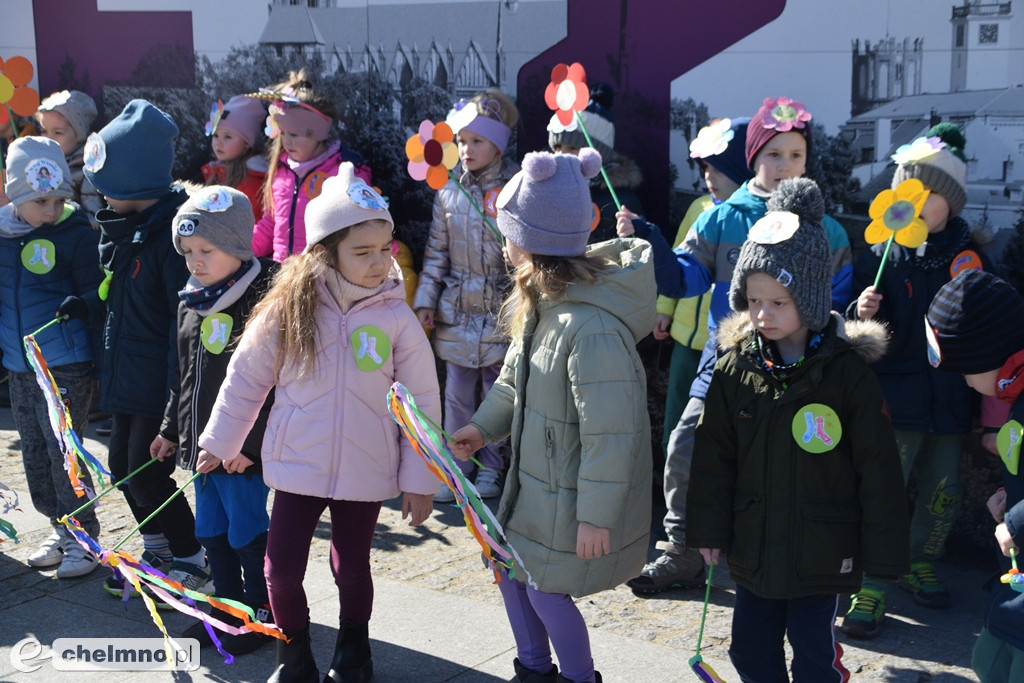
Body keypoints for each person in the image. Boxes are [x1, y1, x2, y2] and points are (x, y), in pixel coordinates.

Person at [195, 164, 440, 682]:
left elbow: (422, 403)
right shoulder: (288, 308)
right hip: (296, 464)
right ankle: (294, 654)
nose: (379, 262)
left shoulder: (396, 318)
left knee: (351, 567)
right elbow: (246, 378)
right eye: (362, 251)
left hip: (366, 466)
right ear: (325, 251)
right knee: (279, 569)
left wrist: (421, 480)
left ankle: (354, 649)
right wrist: (221, 440)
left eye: (385, 249)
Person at [619, 97, 853, 594]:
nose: (785, 165)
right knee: (686, 445)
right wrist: (649, 239)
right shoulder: (721, 217)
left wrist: (852, 312)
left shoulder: (827, 230)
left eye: (795, 155)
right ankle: (682, 550)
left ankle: (783, 555)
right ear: (752, 159)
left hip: (796, 372)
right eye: (773, 154)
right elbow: (683, 279)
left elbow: (837, 299)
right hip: (725, 363)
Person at [688, 178, 909, 682]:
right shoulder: (735, 368)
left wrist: (883, 552)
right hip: (754, 545)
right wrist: (707, 530)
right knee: (750, 651)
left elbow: (877, 466)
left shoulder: (846, 373)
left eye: (779, 302)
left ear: (808, 299)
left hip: (822, 551)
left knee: (814, 656)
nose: (762, 314)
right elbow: (713, 455)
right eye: (753, 300)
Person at [451, 149, 654, 683]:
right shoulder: (543, 306)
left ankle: (580, 678)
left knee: (545, 591)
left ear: (529, 242)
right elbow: (512, 384)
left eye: (508, 234)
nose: (503, 243)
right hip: (538, 489)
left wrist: (596, 516)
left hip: (570, 497)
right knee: (510, 572)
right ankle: (534, 670)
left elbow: (611, 433)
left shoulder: (591, 329)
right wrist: (479, 429)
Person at [843, 122, 991, 639]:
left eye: (932, 194)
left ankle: (919, 559)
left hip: (951, 398)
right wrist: (861, 312)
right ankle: (871, 581)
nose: (920, 203)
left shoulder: (971, 259)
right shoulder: (881, 255)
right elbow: (858, 335)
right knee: (882, 489)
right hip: (896, 397)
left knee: (943, 491)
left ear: (953, 202)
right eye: (911, 192)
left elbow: (990, 325)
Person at [65, 99, 211, 596]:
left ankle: (192, 556)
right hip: (125, 374)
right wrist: (87, 306)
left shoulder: (172, 240)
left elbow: (181, 326)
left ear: (134, 185)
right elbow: (118, 294)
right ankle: (158, 548)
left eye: (106, 184)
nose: (99, 193)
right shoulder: (126, 230)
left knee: (147, 473)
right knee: (122, 469)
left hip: (156, 385)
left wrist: (176, 403)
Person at [150, 186, 276, 654]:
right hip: (202, 449)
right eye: (187, 251)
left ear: (238, 245)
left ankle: (260, 610)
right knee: (211, 532)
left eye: (207, 250)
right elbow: (182, 375)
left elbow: (272, 384)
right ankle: (224, 607)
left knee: (246, 532)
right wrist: (171, 429)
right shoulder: (191, 300)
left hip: (241, 452)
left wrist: (249, 445)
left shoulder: (264, 300)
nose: (195, 261)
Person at [0, 137, 102, 577]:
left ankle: (85, 537)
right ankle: (60, 528)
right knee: (36, 452)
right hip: (19, 365)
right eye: (40, 201)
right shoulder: (3, 236)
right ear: (14, 196)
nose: (51, 209)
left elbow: (96, 293)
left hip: (64, 363)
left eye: (59, 199)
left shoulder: (74, 233)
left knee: (65, 453)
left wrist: (83, 307)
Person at [413, 89, 519, 501]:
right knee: (456, 396)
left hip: (499, 311)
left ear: (498, 145)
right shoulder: (448, 191)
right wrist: (426, 300)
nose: (467, 149)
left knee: (497, 395)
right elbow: (436, 252)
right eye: (461, 141)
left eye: (477, 141)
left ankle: (491, 468)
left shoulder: (512, 190)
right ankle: (457, 466)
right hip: (456, 311)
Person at [924, 269, 1024, 683]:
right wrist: (1007, 491)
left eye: (966, 369)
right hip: (1014, 584)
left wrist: (1018, 522)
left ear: (991, 353)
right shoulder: (1017, 391)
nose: (965, 381)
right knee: (990, 662)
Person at [649, 116, 752, 506]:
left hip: (726, 344)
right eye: (705, 168)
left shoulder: (752, 218)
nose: (709, 176)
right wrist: (664, 308)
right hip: (685, 339)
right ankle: (673, 506)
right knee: (676, 423)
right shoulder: (699, 208)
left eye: (717, 168)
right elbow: (679, 263)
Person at [252, 70, 371, 262]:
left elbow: (362, 229)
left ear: (317, 134)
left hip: (323, 274)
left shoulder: (343, 174)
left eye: (294, 134)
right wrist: (239, 251)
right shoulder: (281, 172)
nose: (286, 141)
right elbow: (270, 225)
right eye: (283, 133)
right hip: (283, 273)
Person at [548, 82, 643, 244]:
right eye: (557, 147)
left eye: (573, 148)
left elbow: (635, 251)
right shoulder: (547, 191)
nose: (561, 156)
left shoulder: (620, 201)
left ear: (598, 154)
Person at [35, 90, 104, 227]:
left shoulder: (86, 170)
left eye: (58, 132)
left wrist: (62, 223)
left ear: (78, 135)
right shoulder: (38, 163)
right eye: (43, 131)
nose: (49, 138)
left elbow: (95, 219)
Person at [201, 95, 268, 221]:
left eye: (228, 137)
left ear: (247, 143)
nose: (218, 143)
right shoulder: (216, 170)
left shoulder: (251, 182)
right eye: (215, 135)